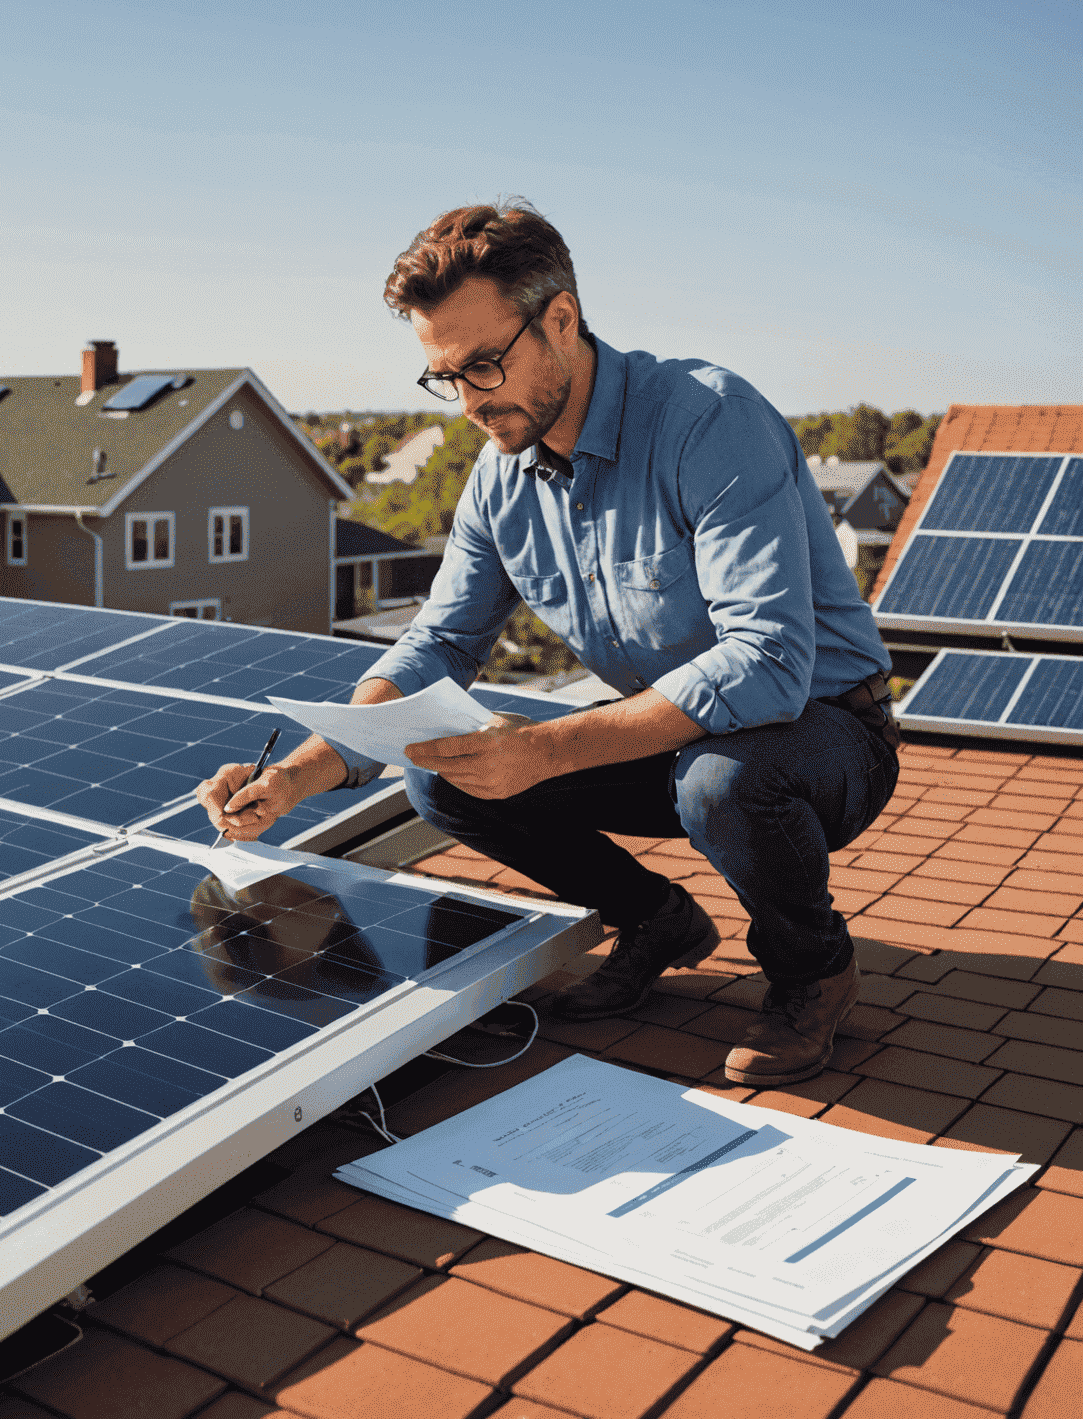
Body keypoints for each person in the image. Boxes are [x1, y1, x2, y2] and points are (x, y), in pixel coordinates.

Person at [196, 200, 899, 1088]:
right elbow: (439, 642)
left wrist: (545, 747)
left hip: (826, 730)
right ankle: (654, 919)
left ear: (560, 319)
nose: (469, 402)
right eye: (444, 377)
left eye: (485, 364)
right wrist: (296, 775)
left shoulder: (708, 421)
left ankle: (813, 973)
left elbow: (766, 663)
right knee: (439, 768)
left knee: (725, 781)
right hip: (679, 731)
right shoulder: (500, 481)